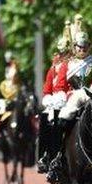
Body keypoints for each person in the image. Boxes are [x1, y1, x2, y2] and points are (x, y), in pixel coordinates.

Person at [50, 15, 92, 184]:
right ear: (74, 47)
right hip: (73, 98)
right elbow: (60, 85)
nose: (82, 50)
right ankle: (57, 157)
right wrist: (62, 97)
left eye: (85, 47)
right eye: (79, 47)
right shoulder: (67, 64)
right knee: (61, 120)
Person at [38, 20, 72, 173]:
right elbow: (47, 90)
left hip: (73, 99)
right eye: (61, 53)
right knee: (45, 118)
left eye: (65, 52)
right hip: (57, 101)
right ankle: (46, 155)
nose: (63, 55)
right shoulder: (54, 69)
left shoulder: (76, 65)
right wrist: (50, 100)